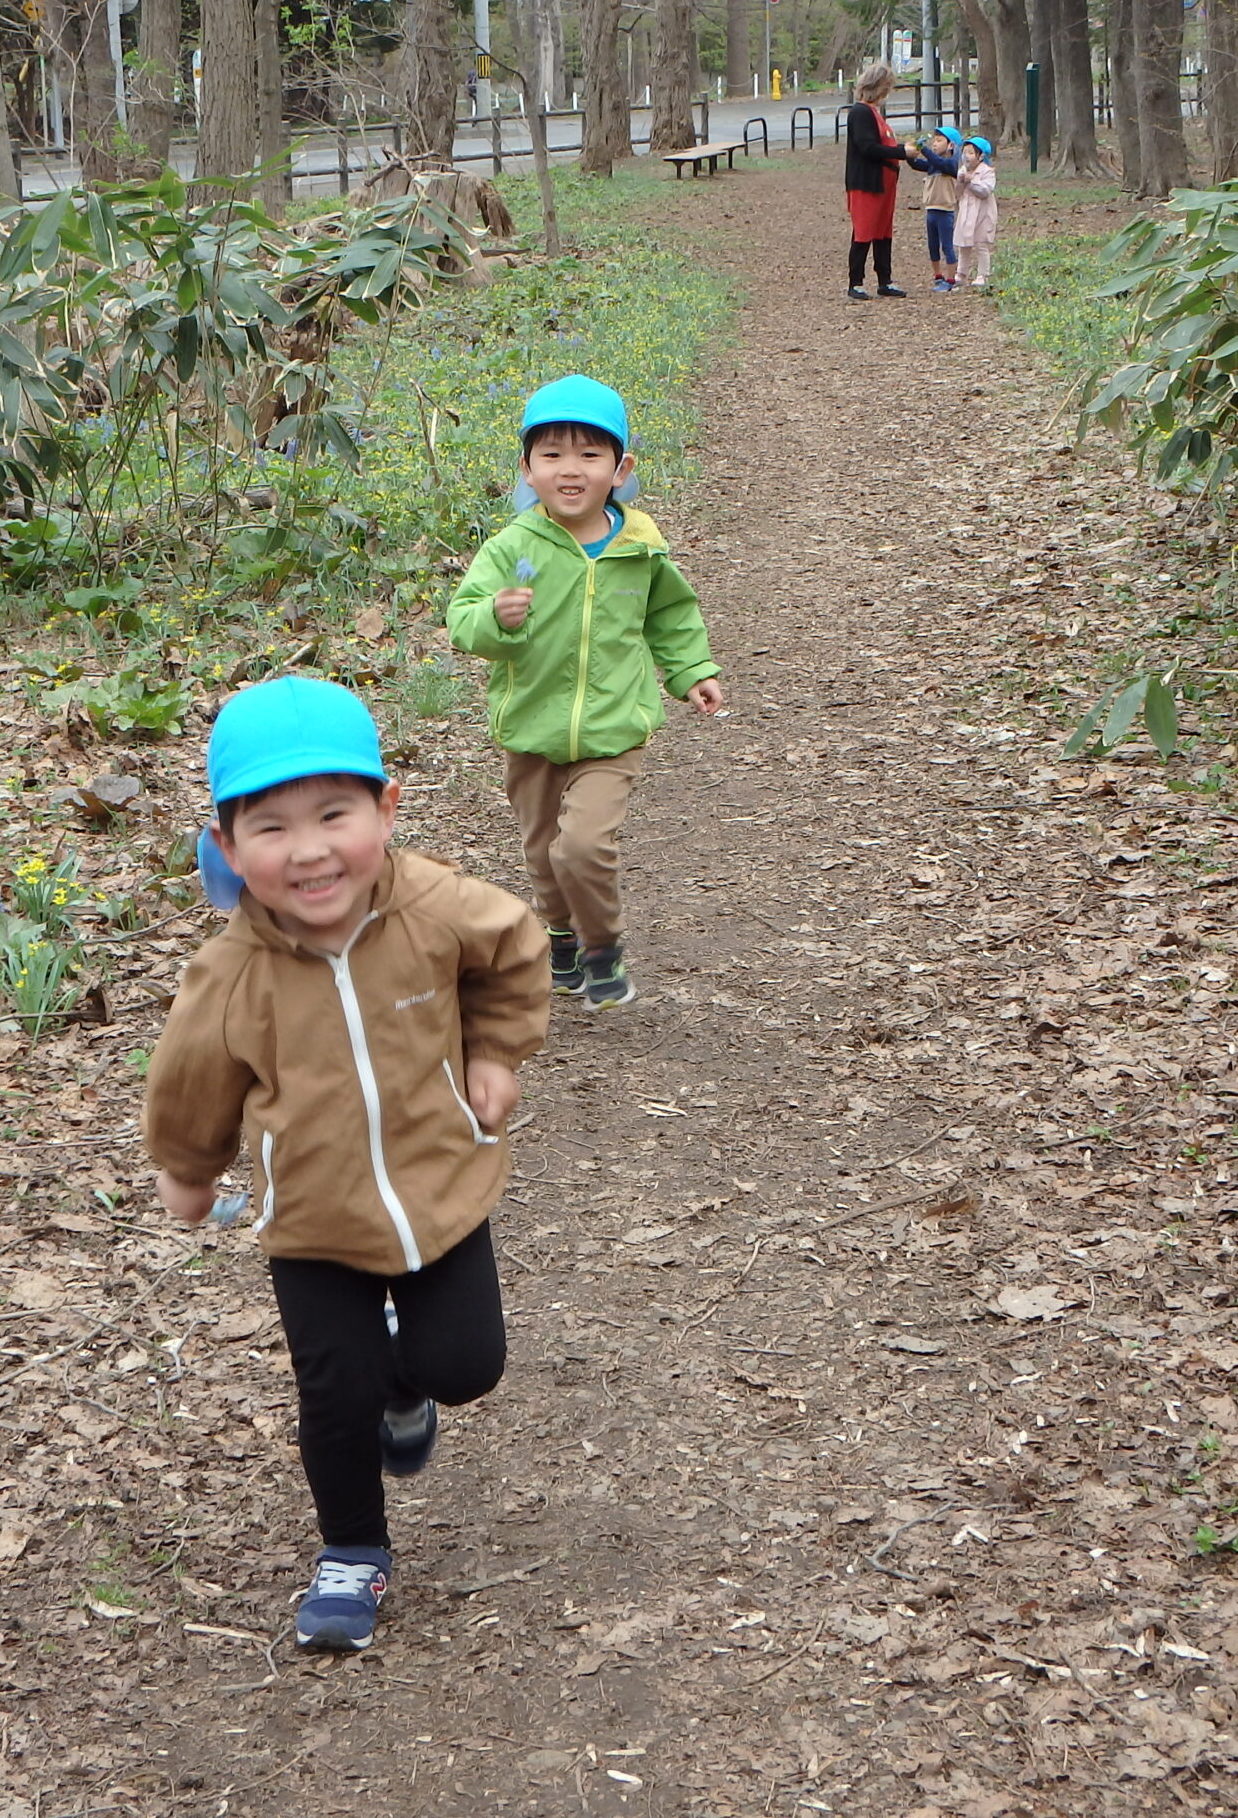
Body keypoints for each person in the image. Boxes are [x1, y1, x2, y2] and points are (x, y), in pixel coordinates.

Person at [143, 677, 551, 1652]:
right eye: (272, 827)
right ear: (230, 848)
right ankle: (352, 1553)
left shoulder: (435, 908)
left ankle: (407, 1387)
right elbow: (193, 1078)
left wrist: (493, 1053)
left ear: (386, 809)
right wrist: (189, 1170)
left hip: (440, 1194)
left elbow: (517, 953)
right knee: (333, 1393)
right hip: (314, 1224)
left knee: (466, 1365)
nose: (311, 850)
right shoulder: (232, 973)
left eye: (335, 814)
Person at [445, 375, 723, 1010]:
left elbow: (670, 617)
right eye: (552, 455)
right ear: (527, 468)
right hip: (532, 727)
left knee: (584, 846)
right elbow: (463, 620)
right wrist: (496, 617)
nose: (571, 471)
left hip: (613, 726)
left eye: (590, 455)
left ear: (621, 468)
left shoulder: (639, 550)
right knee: (545, 856)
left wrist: (692, 672)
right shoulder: (512, 548)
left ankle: (601, 947)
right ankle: (561, 935)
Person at [841, 60, 914, 300]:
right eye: (886, 87)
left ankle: (885, 279)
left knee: (883, 232)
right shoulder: (860, 112)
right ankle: (856, 283)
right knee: (863, 232)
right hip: (866, 183)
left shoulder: (874, 112)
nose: (887, 93)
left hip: (885, 182)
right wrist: (901, 152)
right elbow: (867, 147)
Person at [911, 124, 964, 293]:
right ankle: (938, 276)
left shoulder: (950, 164)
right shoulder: (934, 164)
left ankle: (950, 279)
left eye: (939, 141)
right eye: (934, 140)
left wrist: (924, 150)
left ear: (951, 146)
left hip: (945, 211)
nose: (934, 143)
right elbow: (917, 164)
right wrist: (910, 153)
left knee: (947, 246)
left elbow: (939, 162)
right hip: (931, 210)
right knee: (932, 245)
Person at [957, 134, 999, 291]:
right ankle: (961, 273)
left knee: (981, 244)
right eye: (965, 152)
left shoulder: (987, 172)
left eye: (970, 152)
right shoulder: (962, 170)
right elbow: (958, 193)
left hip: (983, 212)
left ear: (980, 156)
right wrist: (960, 181)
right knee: (963, 243)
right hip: (966, 211)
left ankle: (983, 274)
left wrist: (971, 181)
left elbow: (985, 191)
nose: (966, 156)